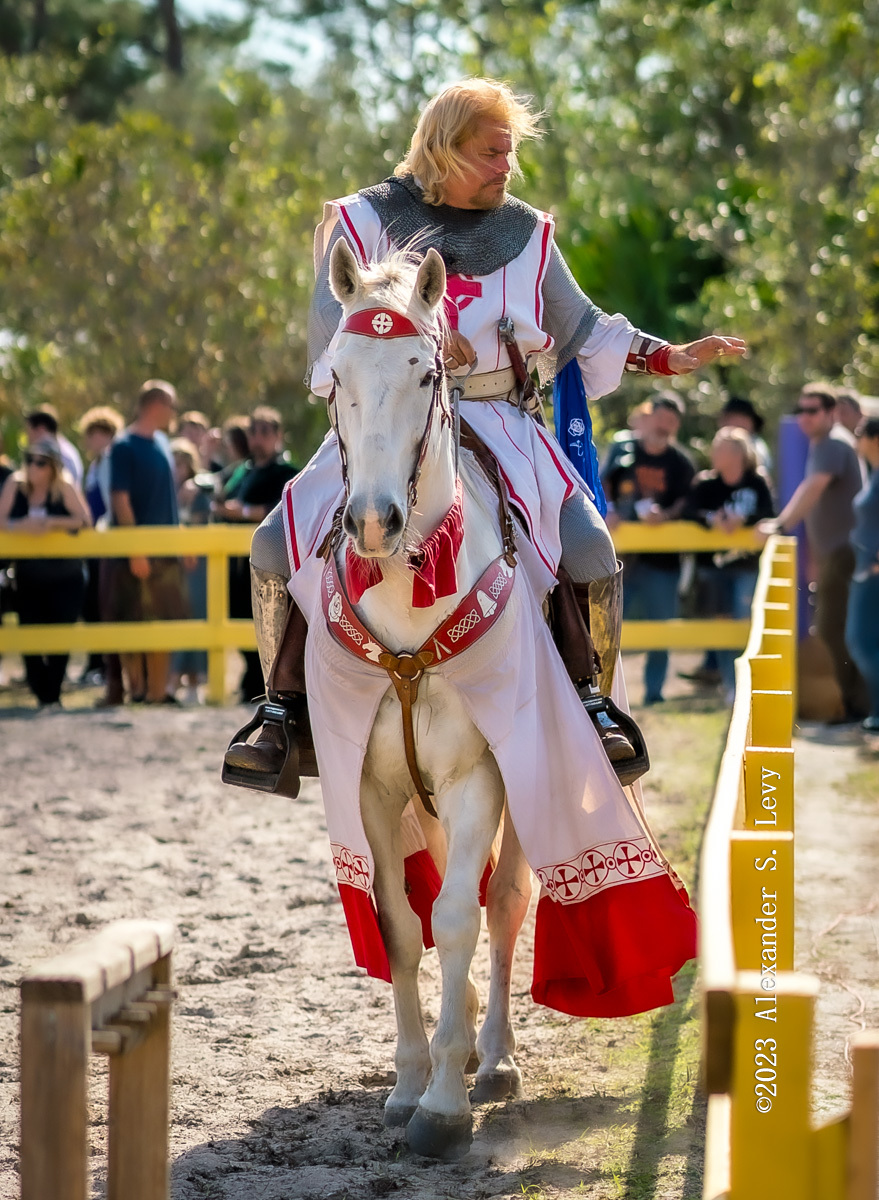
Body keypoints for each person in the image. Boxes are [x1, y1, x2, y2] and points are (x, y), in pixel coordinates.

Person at [224, 77, 745, 791]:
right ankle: (283, 712)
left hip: (500, 419)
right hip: (384, 423)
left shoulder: (526, 233)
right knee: (271, 545)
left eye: (510, 152)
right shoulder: (363, 221)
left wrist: (665, 355)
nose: (508, 167)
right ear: (444, 149)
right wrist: (425, 345)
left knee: (588, 546)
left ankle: (588, 707)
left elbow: (582, 326)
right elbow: (331, 338)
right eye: (492, 152)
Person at [757, 381, 869, 723]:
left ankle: (859, 705)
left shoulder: (832, 443)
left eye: (812, 410)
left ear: (831, 413)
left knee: (835, 629)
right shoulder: (828, 443)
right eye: (800, 410)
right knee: (841, 629)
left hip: (845, 552)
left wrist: (780, 524)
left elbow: (812, 490)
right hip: (839, 553)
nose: (804, 417)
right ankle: (857, 704)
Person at [602, 392, 696, 704]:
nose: (664, 426)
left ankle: (654, 692)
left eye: (672, 421)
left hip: (662, 562)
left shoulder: (681, 462)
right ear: (648, 416)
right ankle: (605, 692)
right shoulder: (623, 451)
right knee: (608, 625)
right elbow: (602, 484)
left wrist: (665, 516)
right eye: (661, 418)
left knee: (661, 626)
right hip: (620, 556)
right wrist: (609, 509)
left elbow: (689, 501)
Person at [107, 379, 188, 705]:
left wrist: (181, 541)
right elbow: (120, 499)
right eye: (171, 406)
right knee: (132, 618)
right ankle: (137, 690)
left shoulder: (163, 444)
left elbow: (167, 500)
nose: (174, 413)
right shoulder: (124, 446)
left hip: (166, 552)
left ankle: (157, 693)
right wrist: (134, 548)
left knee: (164, 619)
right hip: (137, 553)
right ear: (156, 405)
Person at [212, 407, 297, 701]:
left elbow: (284, 508)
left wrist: (245, 512)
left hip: (269, 561)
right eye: (253, 431)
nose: (258, 438)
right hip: (234, 563)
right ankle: (251, 678)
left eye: (264, 431)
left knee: (269, 619)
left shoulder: (287, 473)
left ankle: (268, 682)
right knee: (237, 613)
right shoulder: (241, 472)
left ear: (277, 435)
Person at [0, 438, 92, 709]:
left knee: (60, 638)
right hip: (28, 576)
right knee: (29, 636)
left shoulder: (64, 487)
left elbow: (84, 520)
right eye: (29, 460)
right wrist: (20, 526)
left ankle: (52, 695)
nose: (33, 467)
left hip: (65, 576)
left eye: (40, 462)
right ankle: (42, 693)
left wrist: (52, 523)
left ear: (52, 466)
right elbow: (2, 519)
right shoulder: (15, 485)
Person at [683, 428, 774, 701]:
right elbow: (689, 512)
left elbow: (770, 515)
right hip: (713, 567)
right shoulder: (705, 484)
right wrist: (712, 518)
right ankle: (731, 685)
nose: (713, 453)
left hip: (746, 565)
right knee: (720, 625)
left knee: (744, 622)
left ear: (737, 454)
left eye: (720, 448)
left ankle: (750, 684)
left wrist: (744, 521)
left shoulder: (757, 483)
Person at [77, 405, 125, 685]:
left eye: (93, 434)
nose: (89, 440)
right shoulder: (96, 465)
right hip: (95, 544)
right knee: (93, 603)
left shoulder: (111, 461)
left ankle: (107, 668)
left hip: (107, 543)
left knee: (105, 604)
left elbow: (110, 505)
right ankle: (98, 663)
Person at [169, 437, 212, 703]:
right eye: (173, 464)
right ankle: (173, 679)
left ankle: (194, 681)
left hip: (195, 568)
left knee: (196, 616)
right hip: (172, 568)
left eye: (181, 464)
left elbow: (199, 526)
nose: (177, 469)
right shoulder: (166, 492)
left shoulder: (198, 494)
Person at [845, 416, 879, 733]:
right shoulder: (873, 472)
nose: (856, 438)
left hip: (873, 574)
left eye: (859, 433)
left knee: (860, 640)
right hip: (865, 570)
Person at [24, 405, 83, 487]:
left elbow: (64, 485)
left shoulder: (55, 453)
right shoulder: (63, 447)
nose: (28, 436)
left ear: (41, 429)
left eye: (28, 431)